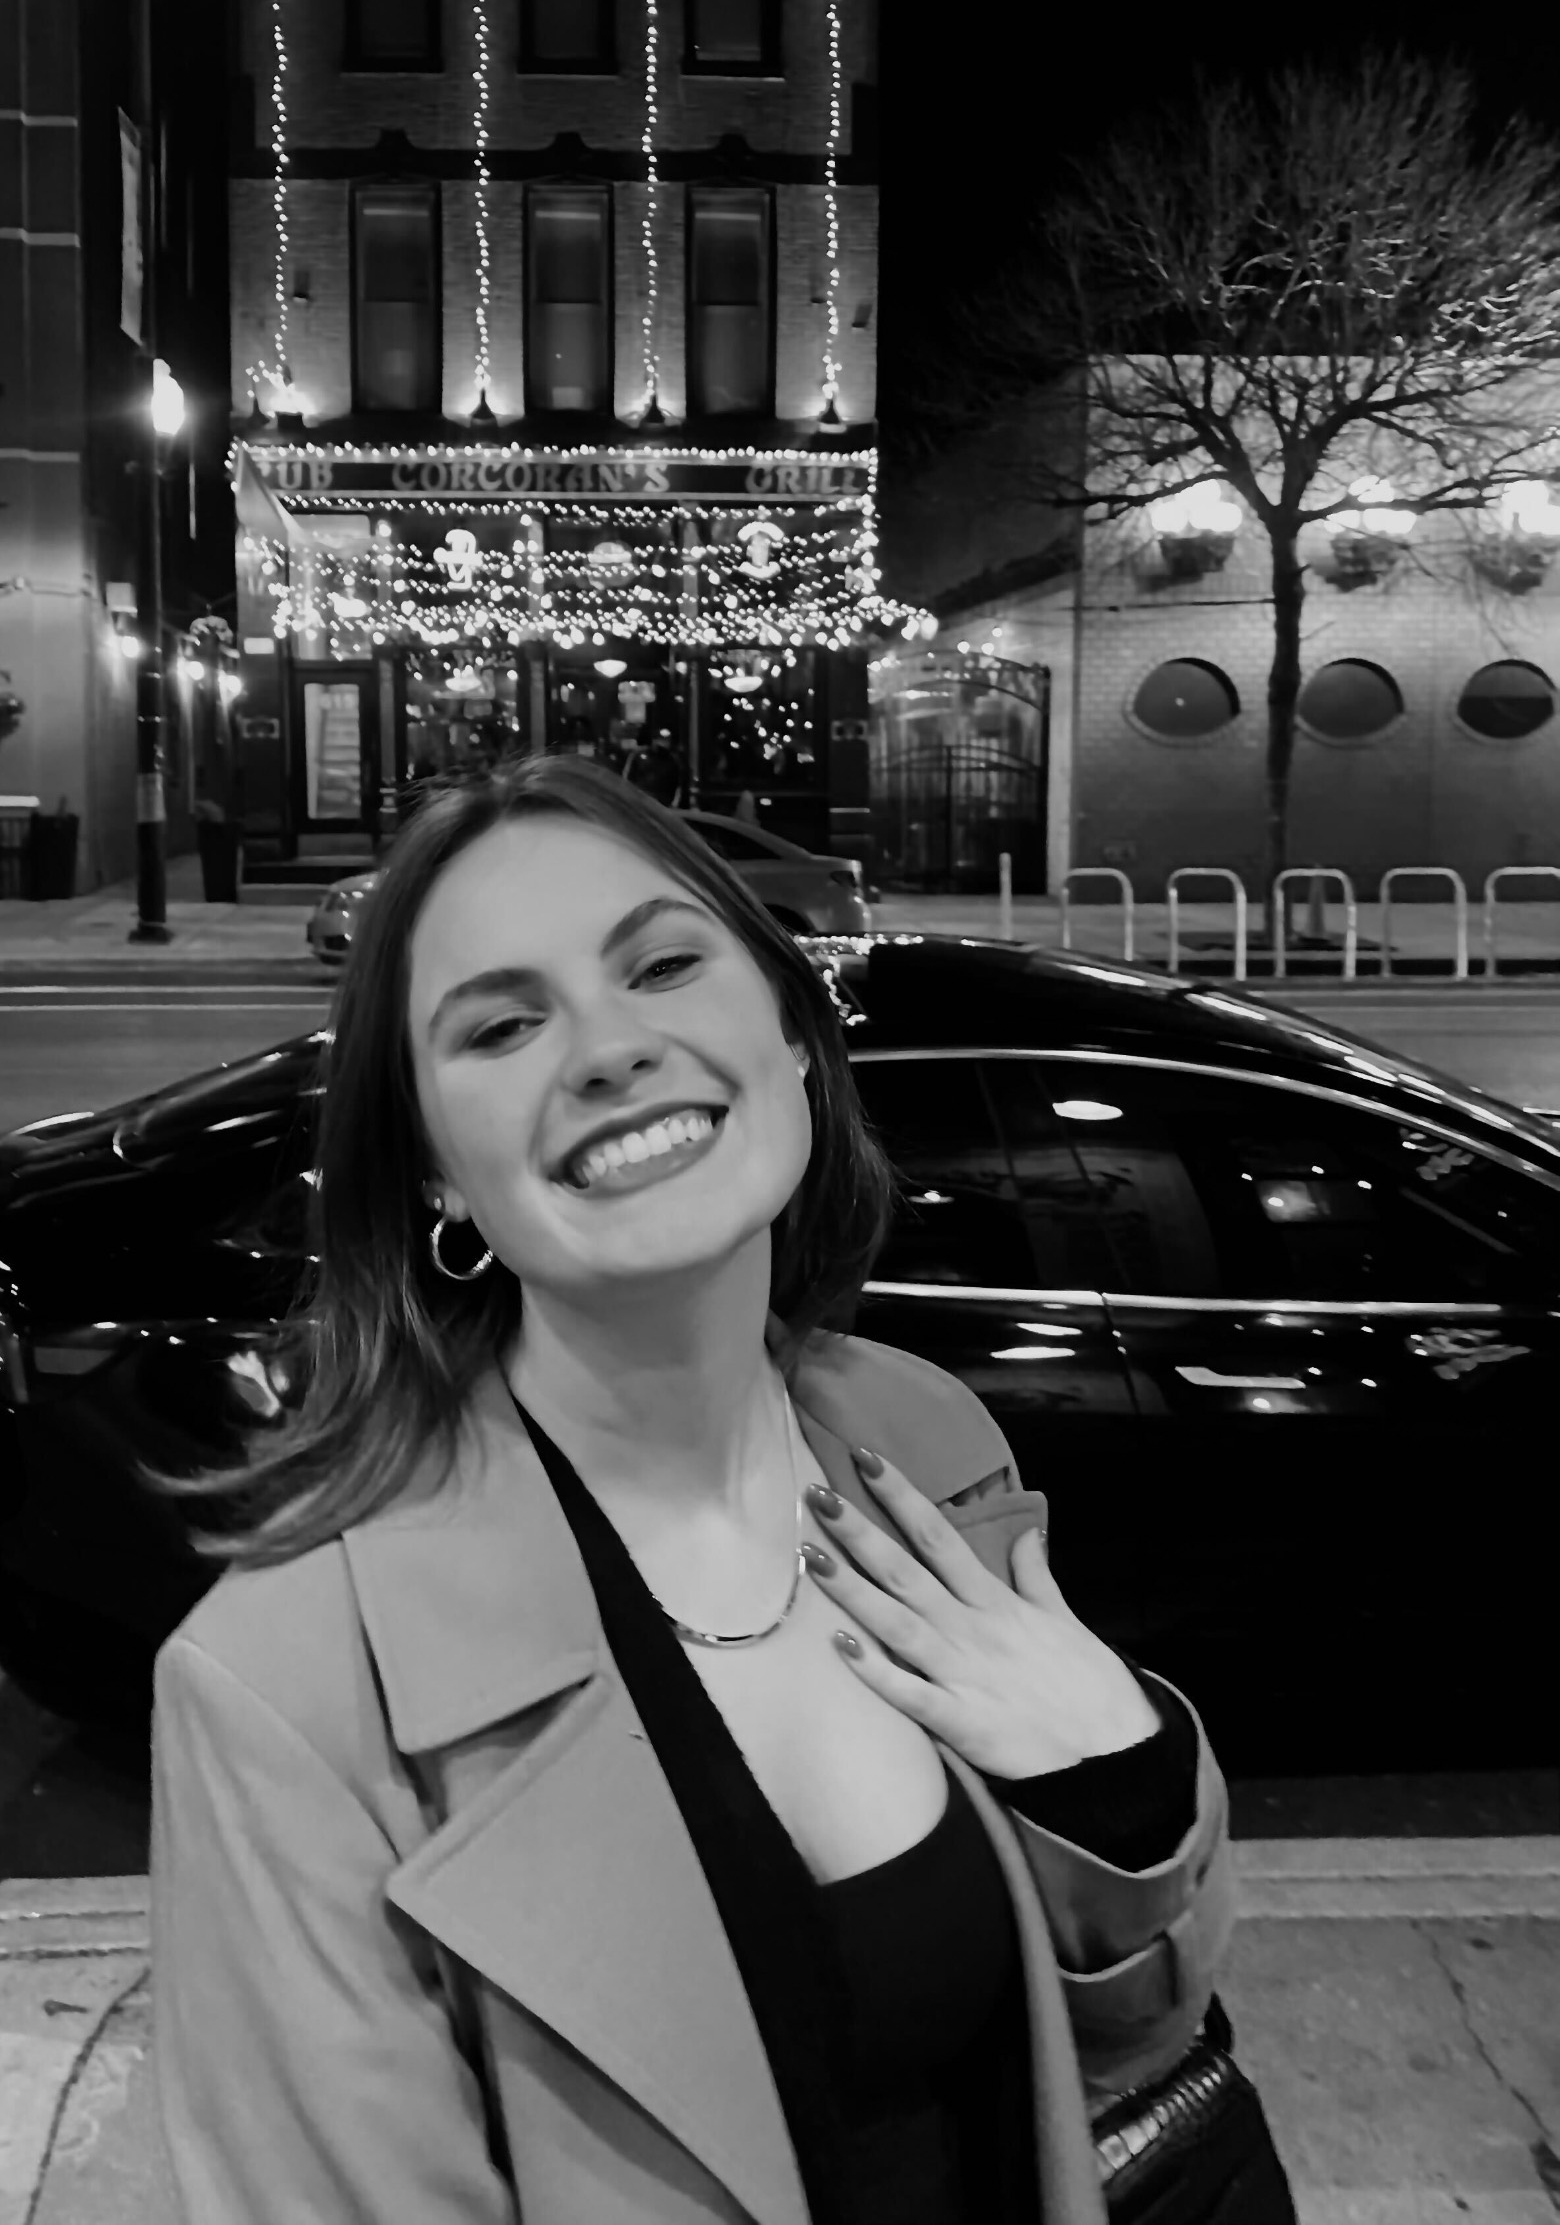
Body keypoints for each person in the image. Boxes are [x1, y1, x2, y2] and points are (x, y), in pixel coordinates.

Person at [150, 753, 1285, 2224]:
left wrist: (1122, 1797)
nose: (611, 1048)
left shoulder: (917, 1438)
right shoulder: (289, 1687)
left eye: (667, 964)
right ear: (435, 1172)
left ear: (792, 1038)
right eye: (502, 1023)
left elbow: (1099, 2058)